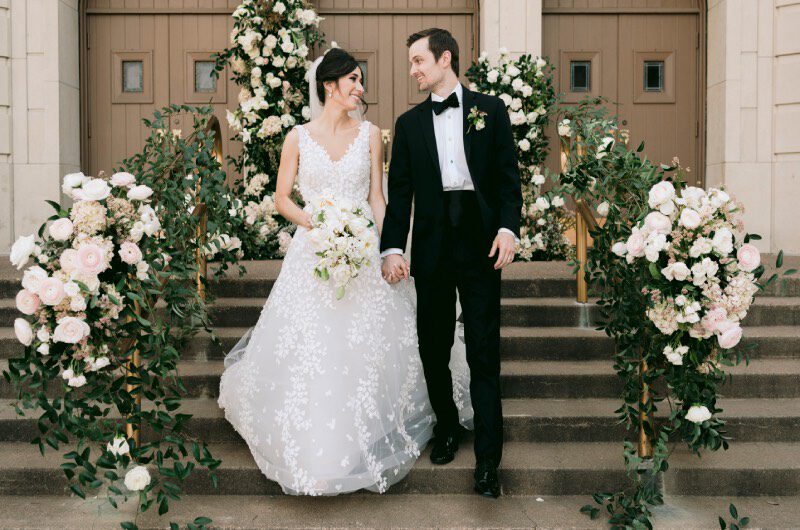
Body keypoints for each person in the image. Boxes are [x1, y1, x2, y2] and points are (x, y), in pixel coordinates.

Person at [218, 47, 471, 496]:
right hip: (314, 247)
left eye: (360, 80)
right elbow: (281, 199)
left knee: (371, 342)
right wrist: (317, 223)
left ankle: (370, 429)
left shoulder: (371, 134)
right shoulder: (297, 137)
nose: (360, 88)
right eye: (353, 80)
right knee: (314, 345)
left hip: (364, 246)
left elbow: (377, 195)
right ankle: (317, 441)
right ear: (329, 86)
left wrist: (390, 245)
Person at [381, 28, 522, 498]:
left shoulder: (491, 110)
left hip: (482, 245)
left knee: (484, 352)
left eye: (419, 61)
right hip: (434, 246)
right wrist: (392, 248)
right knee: (432, 348)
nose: (413, 70)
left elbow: (508, 181)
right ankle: (445, 426)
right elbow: (399, 194)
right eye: (412, 62)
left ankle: (488, 462)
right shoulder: (408, 124)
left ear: (445, 59)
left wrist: (508, 229)